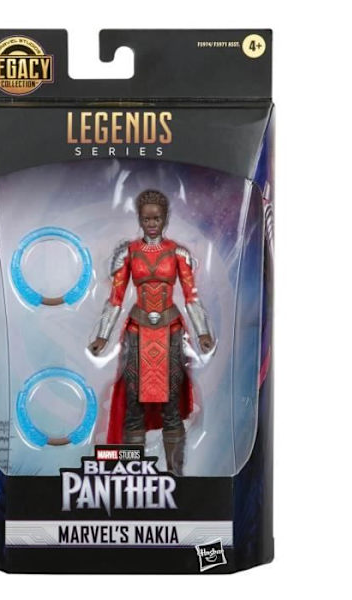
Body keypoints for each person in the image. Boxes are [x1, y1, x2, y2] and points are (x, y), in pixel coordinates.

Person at [88, 189, 214, 475]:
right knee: (134, 407)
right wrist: (102, 336)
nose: (152, 223)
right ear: (140, 219)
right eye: (147, 219)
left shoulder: (178, 253)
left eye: (157, 218)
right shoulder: (128, 253)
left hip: (171, 332)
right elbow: (116, 298)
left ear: (165, 218)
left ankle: (175, 475)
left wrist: (203, 333)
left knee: (171, 406)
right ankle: (134, 473)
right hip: (136, 332)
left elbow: (191, 296)